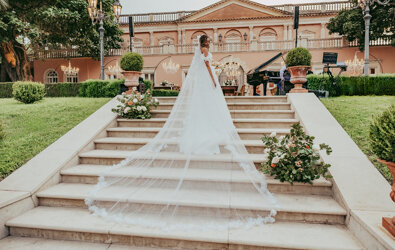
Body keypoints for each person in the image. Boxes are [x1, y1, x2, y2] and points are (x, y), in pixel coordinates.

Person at [85, 35, 277, 231]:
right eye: (208, 41)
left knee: (202, 110)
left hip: (201, 86)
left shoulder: (200, 53)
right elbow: (209, 68)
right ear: (204, 43)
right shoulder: (204, 53)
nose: (210, 43)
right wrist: (214, 81)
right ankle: (206, 136)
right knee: (208, 110)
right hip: (207, 83)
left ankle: (201, 135)